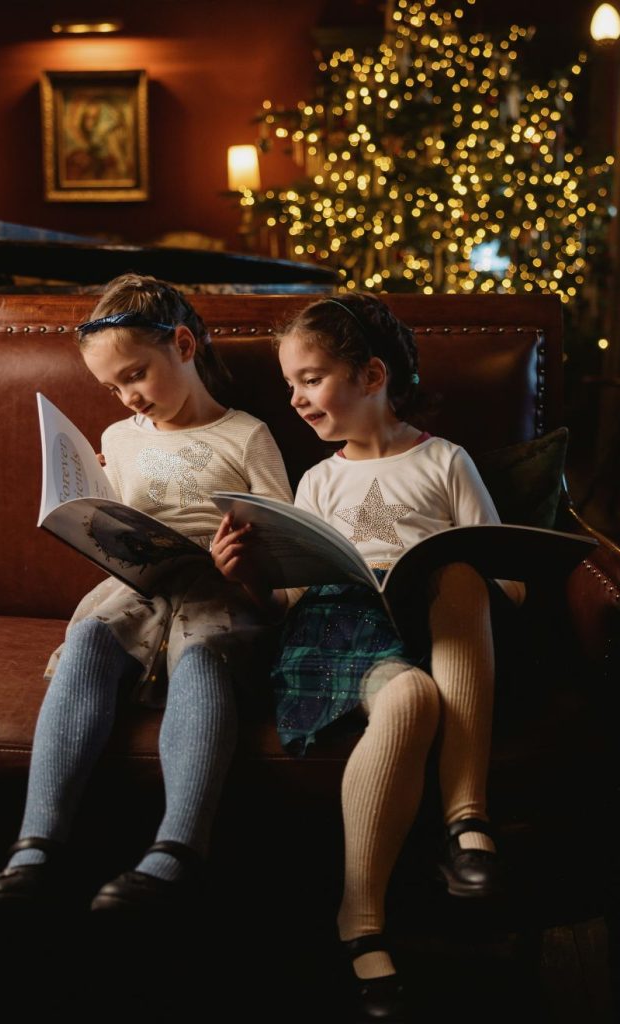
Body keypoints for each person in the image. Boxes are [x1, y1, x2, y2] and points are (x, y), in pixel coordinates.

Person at [211, 294, 525, 1022]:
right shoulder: (317, 480)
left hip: (422, 629)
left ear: (372, 375)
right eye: (290, 383)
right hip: (331, 630)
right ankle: (360, 918)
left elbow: (506, 582)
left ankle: (462, 823)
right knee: (410, 690)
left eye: (311, 379)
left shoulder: (445, 461)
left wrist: (445, 575)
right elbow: (287, 604)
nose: (295, 399)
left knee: (450, 592)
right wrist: (249, 576)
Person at [0, 274, 292, 922]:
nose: (127, 396)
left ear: (182, 344)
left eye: (136, 375)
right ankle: (34, 847)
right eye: (113, 388)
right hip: (137, 585)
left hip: (218, 592)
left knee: (205, 658)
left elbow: (289, 548)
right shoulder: (121, 437)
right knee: (90, 638)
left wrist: (250, 569)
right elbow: (111, 521)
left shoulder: (246, 435)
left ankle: (176, 854)